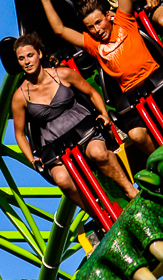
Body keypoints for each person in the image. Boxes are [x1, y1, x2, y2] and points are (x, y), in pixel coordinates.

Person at [35, 0, 163, 155]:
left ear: (108, 15)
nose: (97, 30)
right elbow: (60, 30)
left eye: (98, 22)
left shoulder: (124, 21)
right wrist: (45, 0)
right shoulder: (93, 43)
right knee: (137, 135)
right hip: (132, 92)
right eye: (90, 27)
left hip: (156, 79)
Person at [11, 33, 138, 209]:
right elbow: (19, 133)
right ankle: (97, 215)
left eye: (30, 55)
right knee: (62, 179)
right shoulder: (19, 97)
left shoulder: (63, 74)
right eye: (21, 59)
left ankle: (129, 189)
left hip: (83, 128)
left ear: (39, 54)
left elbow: (92, 93)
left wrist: (104, 114)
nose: (26, 62)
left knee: (97, 153)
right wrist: (32, 159)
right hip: (55, 142)